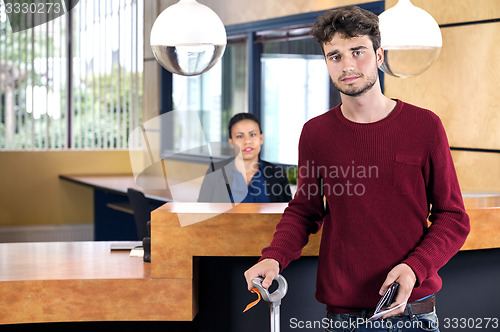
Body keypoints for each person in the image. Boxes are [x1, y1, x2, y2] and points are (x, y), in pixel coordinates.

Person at [244, 6, 470, 332]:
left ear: (379, 56)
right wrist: (273, 256)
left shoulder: (425, 126)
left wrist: (414, 267)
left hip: (414, 313)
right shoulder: (316, 133)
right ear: (326, 64)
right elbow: (305, 210)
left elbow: (453, 217)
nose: (347, 65)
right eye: (334, 56)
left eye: (357, 51)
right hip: (344, 317)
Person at [198, 112, 292, 203]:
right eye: (239, 136)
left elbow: (289, 213)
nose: (247, 141)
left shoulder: (277, 173)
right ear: (231, 142)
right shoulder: (215, 171)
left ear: (261, 138)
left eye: (253, 135)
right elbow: (201, 212)